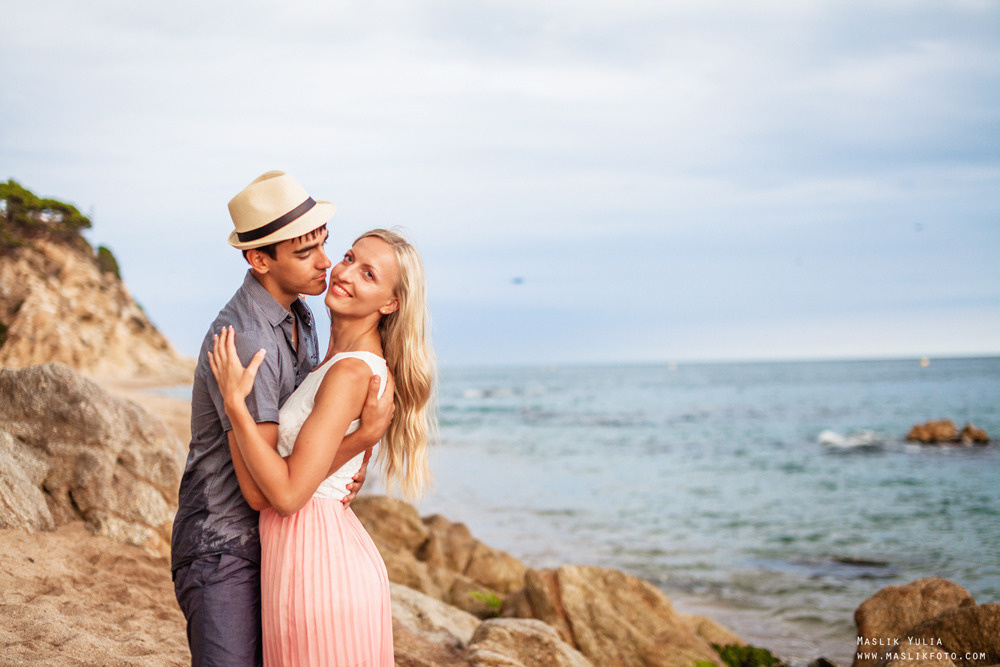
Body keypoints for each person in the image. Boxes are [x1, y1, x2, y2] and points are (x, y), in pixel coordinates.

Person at [170, 171, 395, 666]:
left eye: (325, 245)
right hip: (225, 545)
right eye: (304, 253)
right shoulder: (247, 339)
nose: (327, 265)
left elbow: (299, 449)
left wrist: (333, 472)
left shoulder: (302, 315)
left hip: (279, 544)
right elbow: (264, 490)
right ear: (259, 259)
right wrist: (357, 445)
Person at [209, 228, 435, 666]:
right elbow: (263, 494)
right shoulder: (325, 363)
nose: (344, 272)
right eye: (349, 258)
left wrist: (235, 406)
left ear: (390, 304)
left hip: (320, 568)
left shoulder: (350, 374)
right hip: (301, 557)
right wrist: (360, 441)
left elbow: (288, 495)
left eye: (368, 274)